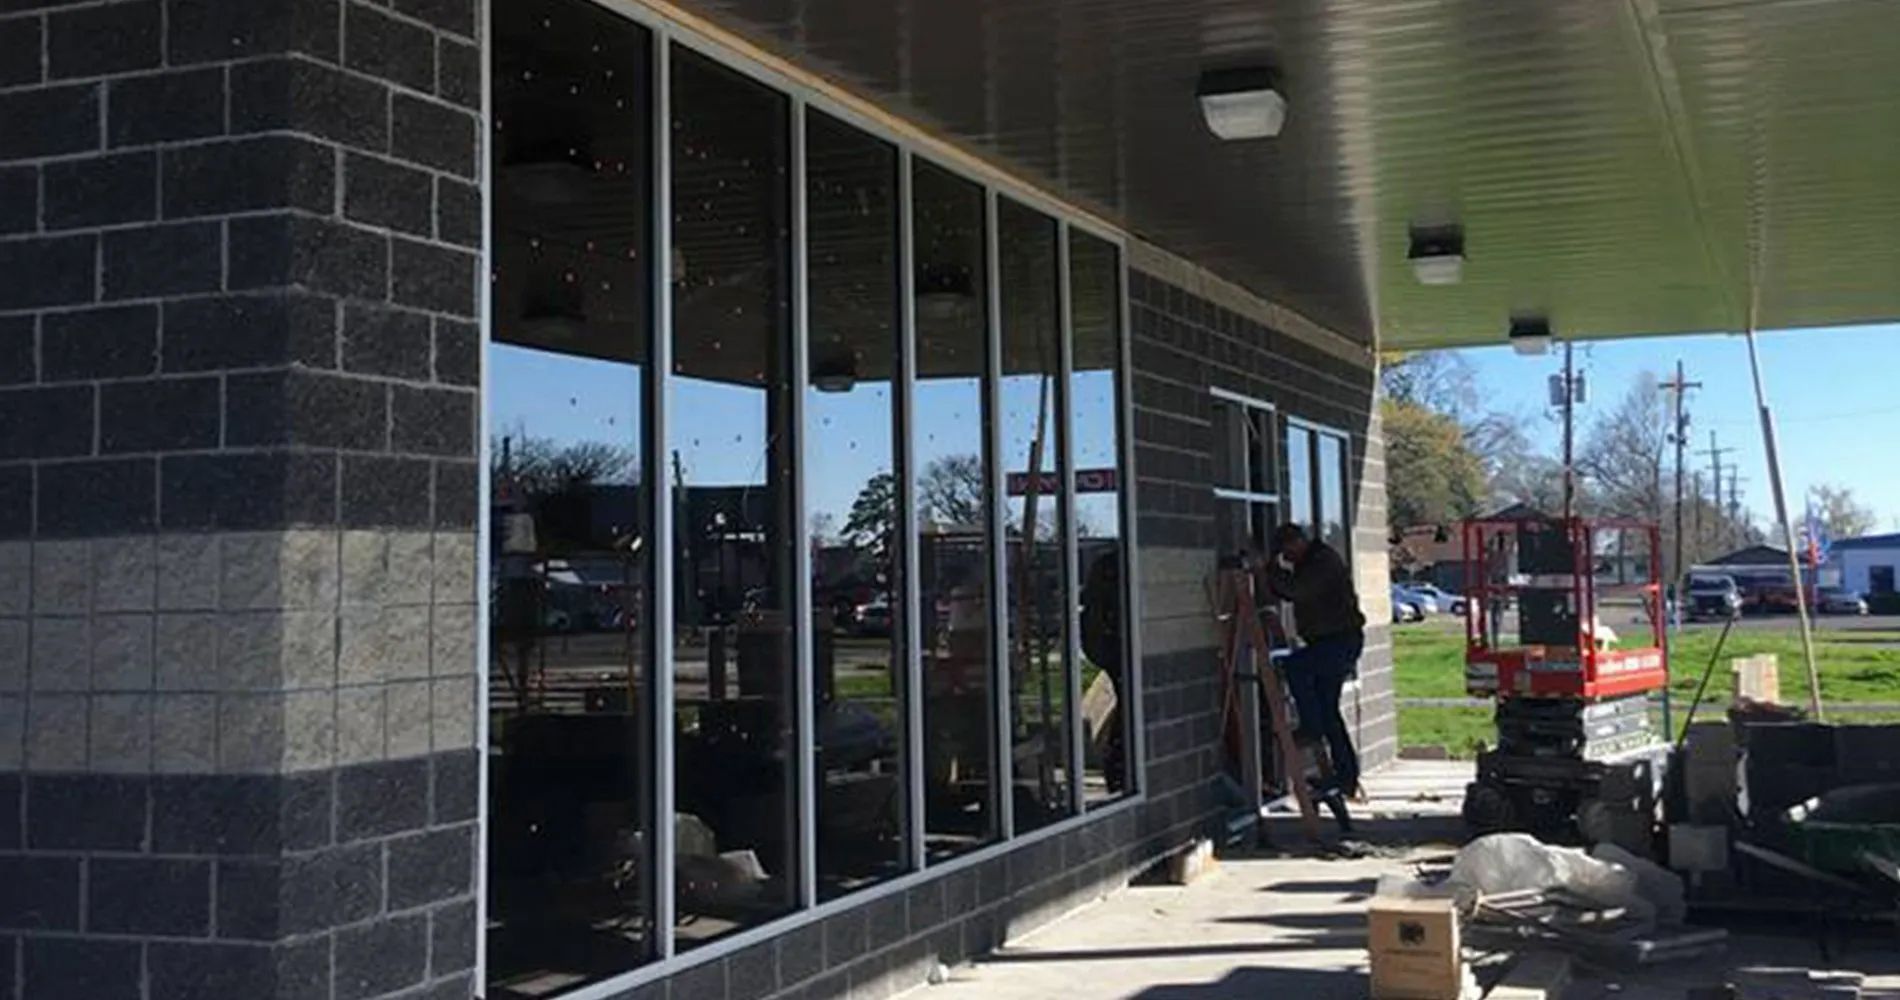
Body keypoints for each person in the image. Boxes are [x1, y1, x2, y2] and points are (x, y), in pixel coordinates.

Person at [1262, 523, 1365, 802]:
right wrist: (1273, 572)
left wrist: (1268, 569)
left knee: (1296, 667)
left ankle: (1311, 727)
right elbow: (1289, 591)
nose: (1288, 559)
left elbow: (1297, 591)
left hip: (1339, 641)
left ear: (1298, 543)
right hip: (1329, 642)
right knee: (1329, 711)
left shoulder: (1322, 562)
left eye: (1288, 552)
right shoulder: (1312, 561)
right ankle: (1345, 777)